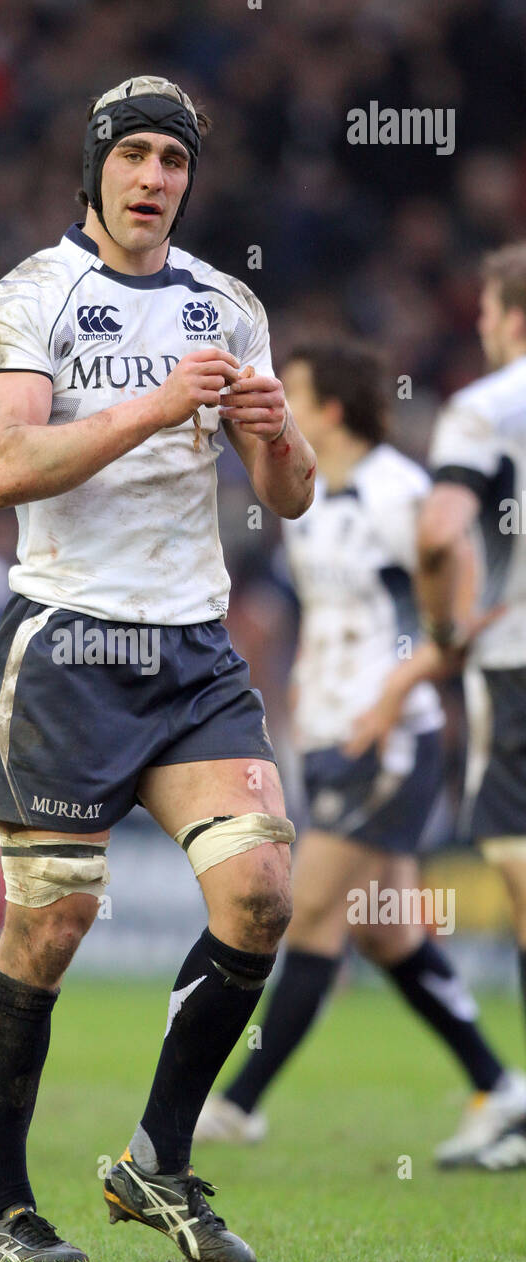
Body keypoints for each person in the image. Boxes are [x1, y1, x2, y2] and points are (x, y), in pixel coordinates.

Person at [0, 75, 316, 1262]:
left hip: (193, 650)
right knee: (54, 924)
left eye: (174, 159)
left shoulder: (230, 304)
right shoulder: (28, 301)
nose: (156, 177)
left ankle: (154, 1160)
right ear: (96, 168)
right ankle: (6, 1208)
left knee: (263, 893)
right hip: (70, 641)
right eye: (137, 156)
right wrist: (161, 406)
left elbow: (291, 496)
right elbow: (5, 466)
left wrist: (275, 433)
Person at [194, 342, 526, 1160]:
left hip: (392, 739)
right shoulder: (307, 499)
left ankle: (237, 1103)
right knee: (387, 929)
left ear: (331, 409)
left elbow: (461, 617)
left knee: (307, 910)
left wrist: (390, 697)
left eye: (293, 391)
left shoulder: (399, 492)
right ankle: (501, 1087)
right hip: (331, 732)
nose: (279, 403)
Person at [348, 243, 526, 1169]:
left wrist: (443, 632)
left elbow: (442, 525)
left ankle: (518, 1103)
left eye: (491, 314)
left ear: (509, 318)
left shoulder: (487, 406)